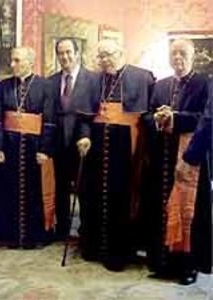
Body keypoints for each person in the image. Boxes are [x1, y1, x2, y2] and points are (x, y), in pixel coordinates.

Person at [81, 39, 155, 271]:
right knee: (95, 196)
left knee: (121, 197)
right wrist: (83, 136)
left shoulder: (142, 77)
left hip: (126, 148)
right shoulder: (94, 79)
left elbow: (149, 116)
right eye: (100, 56)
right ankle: (94, 248)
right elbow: (84, 117)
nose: (104, 60)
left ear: (121, 53)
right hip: (97, 148)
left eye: (108, 55)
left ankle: (120, 253)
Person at [142, 39, 209, 284]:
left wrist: (175, 117)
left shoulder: (204, 83)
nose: (177, 57)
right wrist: (158, 119)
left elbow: (205, 119)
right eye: (173, 53)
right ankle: (163, 263)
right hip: (162, 156)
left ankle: (188, 266)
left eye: (183, 53)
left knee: (188, 212)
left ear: (192, 57)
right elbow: (146, 117)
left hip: (190, 157)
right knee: (161, 208)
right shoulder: (160, 85)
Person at [0, 47, 55, 249]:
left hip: (34, 147)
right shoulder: (2, 86)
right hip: (9, 146)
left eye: (17, 60)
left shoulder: (45, 86)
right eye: (12, 60)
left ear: (30, 63)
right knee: (7, 190)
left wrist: (44, 149)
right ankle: (9, 235)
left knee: (34, 193)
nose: (12, 64)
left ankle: (34, 237)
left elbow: (50, 121)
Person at [47, 38, 101, 241]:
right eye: (61, 53)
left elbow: (97, 113)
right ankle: (62, 229)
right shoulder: (51, 82)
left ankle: (85, 230)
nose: (65, 57)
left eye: (69, 52)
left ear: (77, 53)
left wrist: (87, 137)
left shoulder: (94, 80)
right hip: (59, 145)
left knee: (85, 190)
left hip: (84, 144)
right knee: (60, 189)